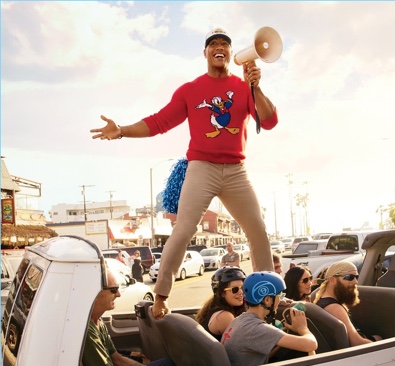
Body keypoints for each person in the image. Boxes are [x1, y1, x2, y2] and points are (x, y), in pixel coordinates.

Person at [92, 28, 278, 319]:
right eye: (213, 44)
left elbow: (269, 121)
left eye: (225, 45)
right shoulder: (191, 90)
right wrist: (122, 132)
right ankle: (162, 296)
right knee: (183, 229)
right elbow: (159, 122)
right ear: (205, 53)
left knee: (258, 230)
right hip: (201, 166)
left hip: (236, 170)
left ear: (231, 53)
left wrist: (256, 87)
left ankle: (270, 296)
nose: (220, 48)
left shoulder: (244, 87)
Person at [82, 266, 185, 366]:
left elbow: (118, 360)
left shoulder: (97, 321)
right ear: (95, 292)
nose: (118, 294)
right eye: (113, 290)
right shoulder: (87, 331)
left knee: (167, 363)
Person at [222, 271, 317, 366]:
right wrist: (302, 328)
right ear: (267, 300)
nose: (280, 300)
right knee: (305, 351)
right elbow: (311, 345)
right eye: (279, 297)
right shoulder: (255, 328)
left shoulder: (241, 320)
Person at [313, 261, 379, 346]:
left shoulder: (322, 299)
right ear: (332, 280)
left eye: (356, 277)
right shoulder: (334, 308)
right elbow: (356, 342)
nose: (355, 282)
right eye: (350, 277)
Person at [195, 267, 247, 341]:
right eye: (235, 289)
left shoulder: (213, 308)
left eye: (242, 287)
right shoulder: (224, 316)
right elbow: (245, 342)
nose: (241, 292)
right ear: (222, 293)